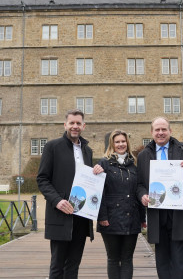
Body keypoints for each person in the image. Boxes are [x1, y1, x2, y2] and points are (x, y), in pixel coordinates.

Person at [36, 109, 103, 279]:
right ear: (65, 125)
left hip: (81, 216)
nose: (75, 126)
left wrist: (97, 171)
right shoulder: (52, 147)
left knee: (73, 265)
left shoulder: (87, 151)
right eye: (71, 123)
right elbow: (42, 179)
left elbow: (88, 180)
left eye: (78, 123)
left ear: (83, 126)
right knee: (57, 265)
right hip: (60, 214)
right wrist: (57, 201)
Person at [136, 117, 183, 279]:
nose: (160, 133)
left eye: (164, 129)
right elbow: (139, 185)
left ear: (170, 131)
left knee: (180, 263)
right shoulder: (144, 155)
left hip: (179, 215)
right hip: (157, 215)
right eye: (157, 130)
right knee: (162, 262)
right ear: (152, 132)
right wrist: (143, 196)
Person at [96, 130, 145, 279]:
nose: (120, 144)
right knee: (113, 259)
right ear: (112, 144)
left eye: (123, 141)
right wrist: (102, 216)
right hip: (110, 219)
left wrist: (143, 218)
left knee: (127, 259)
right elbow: (99, 192)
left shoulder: (134, 164)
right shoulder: (104, 163)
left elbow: (139, 190)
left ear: (127, 143)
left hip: (132, 218)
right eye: (117, 142)